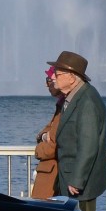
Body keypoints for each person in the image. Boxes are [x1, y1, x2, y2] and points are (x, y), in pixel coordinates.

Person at [48, 50, 106, 211]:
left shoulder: (87, 101)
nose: (53, 78)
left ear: (72, 77)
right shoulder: (76, 97)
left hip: (79, 184)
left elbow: (88, 145)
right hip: (71, 178)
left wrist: (77, 179)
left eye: (58, 74)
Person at [30, 66, 67, 199]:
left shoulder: (65, 106)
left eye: (49, 80)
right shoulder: (61, 105)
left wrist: (37, 151)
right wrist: (44, 136)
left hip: (51, 173)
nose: (47, 85)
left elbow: (53, 144)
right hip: (50, 172)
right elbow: (45, 132)